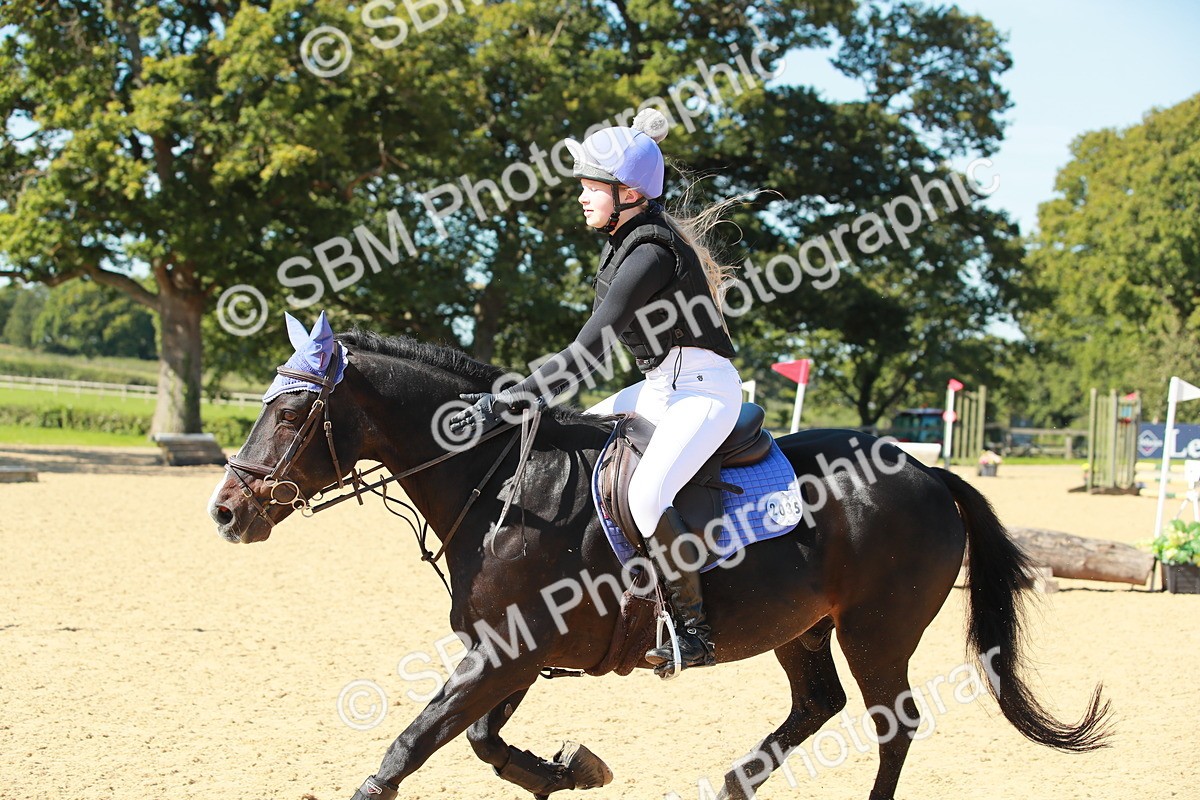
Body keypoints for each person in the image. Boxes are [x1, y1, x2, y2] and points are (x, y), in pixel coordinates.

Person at [449, 108, 745, 673]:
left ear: (628, 192)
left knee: (646, 494)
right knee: (577, 449)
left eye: (591, 187)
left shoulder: (651, 251)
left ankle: (692, 629)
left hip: (703, 392)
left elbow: (585, 353)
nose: (581, 197)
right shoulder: (626, 240)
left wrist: (505, 402)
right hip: (662, 387)